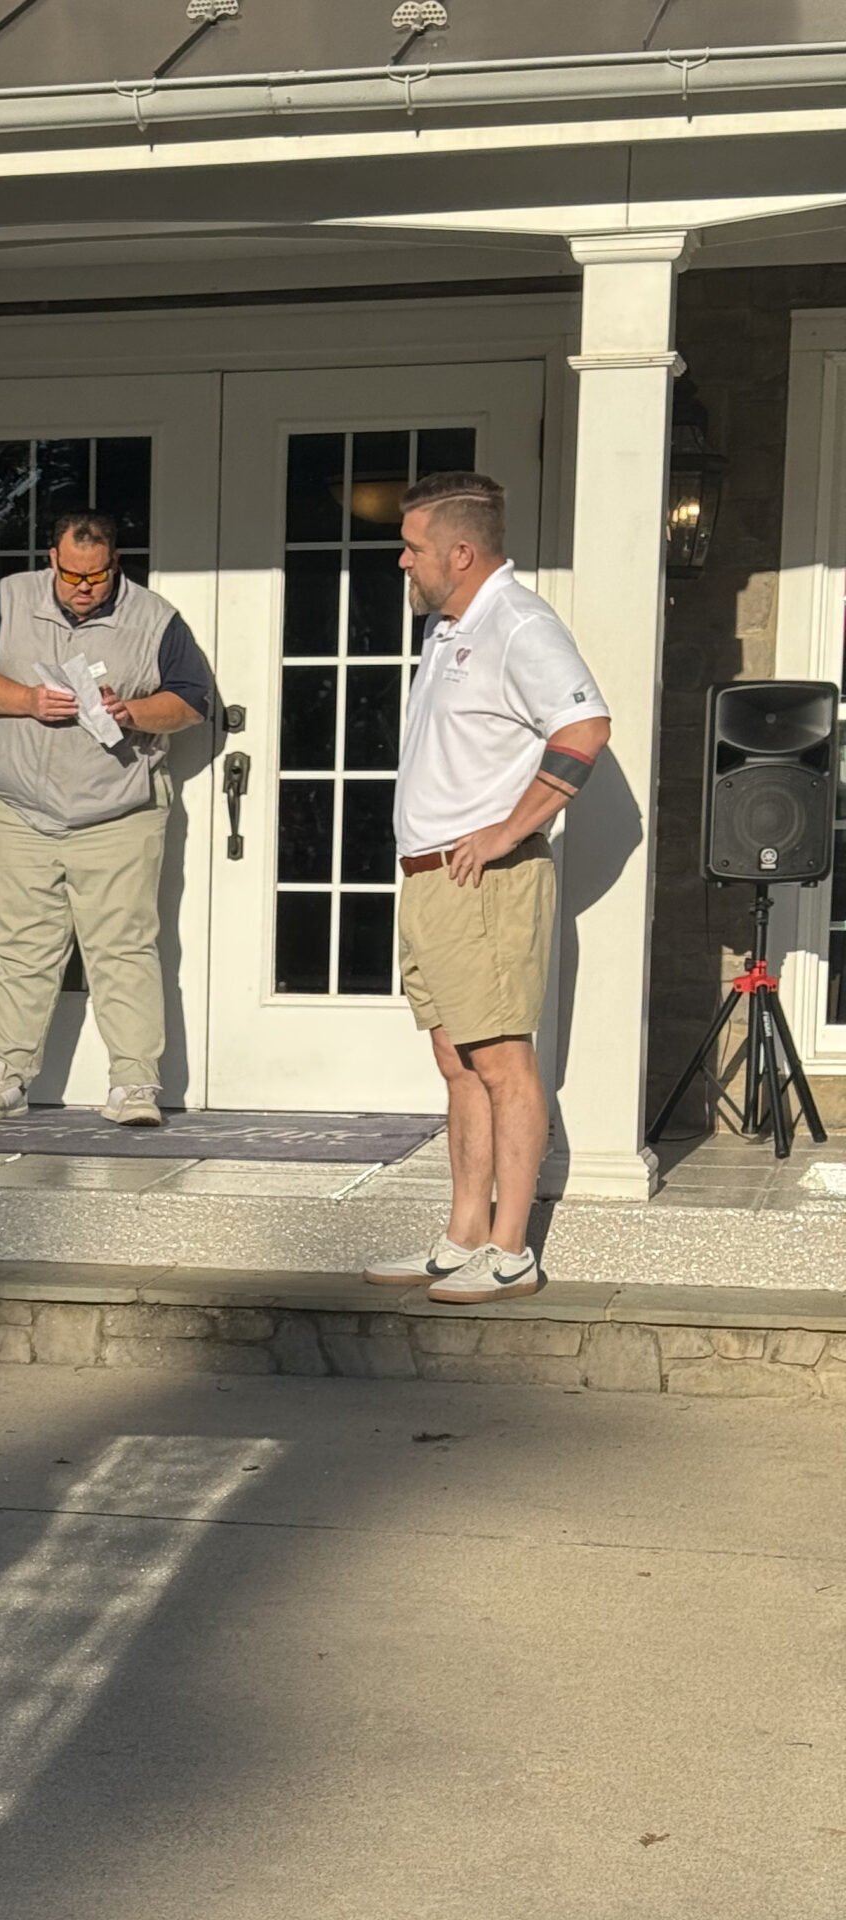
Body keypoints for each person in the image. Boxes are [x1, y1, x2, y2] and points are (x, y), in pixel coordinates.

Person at [364, 472, 611, 1304]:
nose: (403, 561)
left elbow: (585, 726)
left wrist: (509, 831)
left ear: (462, 553)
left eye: (414, 548)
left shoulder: (519, 623)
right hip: (430, 881)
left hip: (485, 883)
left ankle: (511, 1252)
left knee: (502, 1061)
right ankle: (463, 1236)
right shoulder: (448, 627)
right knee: (456, 1059)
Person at [0, 511, 212, 1127]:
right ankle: (4, 1077)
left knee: (124, 950)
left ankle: (135, 1085)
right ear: (52, 559)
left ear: (115, 562)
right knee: (22, 950)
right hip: (19, 809)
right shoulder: (10, 598)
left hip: (117, 813)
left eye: (96, 575)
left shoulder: (155, 617)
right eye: (71, 575)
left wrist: (133, 712)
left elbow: (192, 702)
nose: (84, 588)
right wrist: (27, 700)